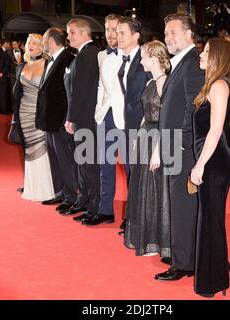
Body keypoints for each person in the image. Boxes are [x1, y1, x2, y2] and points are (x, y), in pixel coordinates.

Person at [155, 14, 204, 280]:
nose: (167, 37)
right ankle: (183, 254)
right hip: (175, 144)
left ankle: (184, 263)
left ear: (189, 34)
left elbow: (193, 108)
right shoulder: (181, 63)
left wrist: (182, 144)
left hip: (182, 147)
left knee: (183, 204)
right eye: (166, 32)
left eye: (173, 32)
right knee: (180, 203)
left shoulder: (193, 63)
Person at [190, 38, 230, 298]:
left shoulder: (219, 86)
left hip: (214, 163)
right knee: (210, 220)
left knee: (211, 221)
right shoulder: (212, 84)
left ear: (218, 57)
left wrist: (199, 165)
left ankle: (214, 280)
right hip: (211, 160)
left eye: (207, 51)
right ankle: (217, 276)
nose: (201, 53)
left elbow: (215, 130)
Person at [124, 40, 171, 258]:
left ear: (154, 58)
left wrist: (157, 151)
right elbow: (146, 112)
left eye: (143, 57)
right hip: (145, 135)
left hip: (156, 139)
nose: (141, 60)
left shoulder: (163, 83)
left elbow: (166, 120)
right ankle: (146, 235)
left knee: (154, 190)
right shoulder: (152, 81)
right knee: (141, 187)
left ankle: (155, 240)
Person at [89, 14, 126, 225]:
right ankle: (105, 211)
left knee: (131, 168)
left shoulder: (133, 54)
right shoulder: (102, 55)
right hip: (104, 116)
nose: (111, 34)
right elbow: (101, 87)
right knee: (105, 166)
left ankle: (132, 217)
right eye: (108, 30)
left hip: (125, 119)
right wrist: (97, 112)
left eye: (115, 29)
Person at [64, 18, 101, 223]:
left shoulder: (87, 56)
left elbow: (77, 93)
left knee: (89, 164)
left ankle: (94, 208)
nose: (68, 37)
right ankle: (88, 202)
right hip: (87, 117)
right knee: (85, 163)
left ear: (83, 33)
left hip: (85, 119)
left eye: (71, 33)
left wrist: (71, 118)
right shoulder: (89, 54)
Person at [38, 27, 77, 209]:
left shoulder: (69, 59)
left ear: (52, 41)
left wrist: (67, 120)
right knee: (54, 160)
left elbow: (70, 94)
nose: (42, 44)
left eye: (44, 40)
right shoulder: (50, 60)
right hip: (49, 120)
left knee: (65, 159)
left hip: (61, 121)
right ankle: (60, 192)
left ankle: (71, 195)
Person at [13, 33, 55, 202]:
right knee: (28, 150)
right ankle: (31, 186)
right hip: (23, 114)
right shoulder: (21, 66)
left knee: (42, 150)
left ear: (42, 46)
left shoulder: (48, 64)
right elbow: (17, 93)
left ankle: (46, 190)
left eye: (35, 43)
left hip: (40, 114)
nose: (30, 45)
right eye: (29, 42)